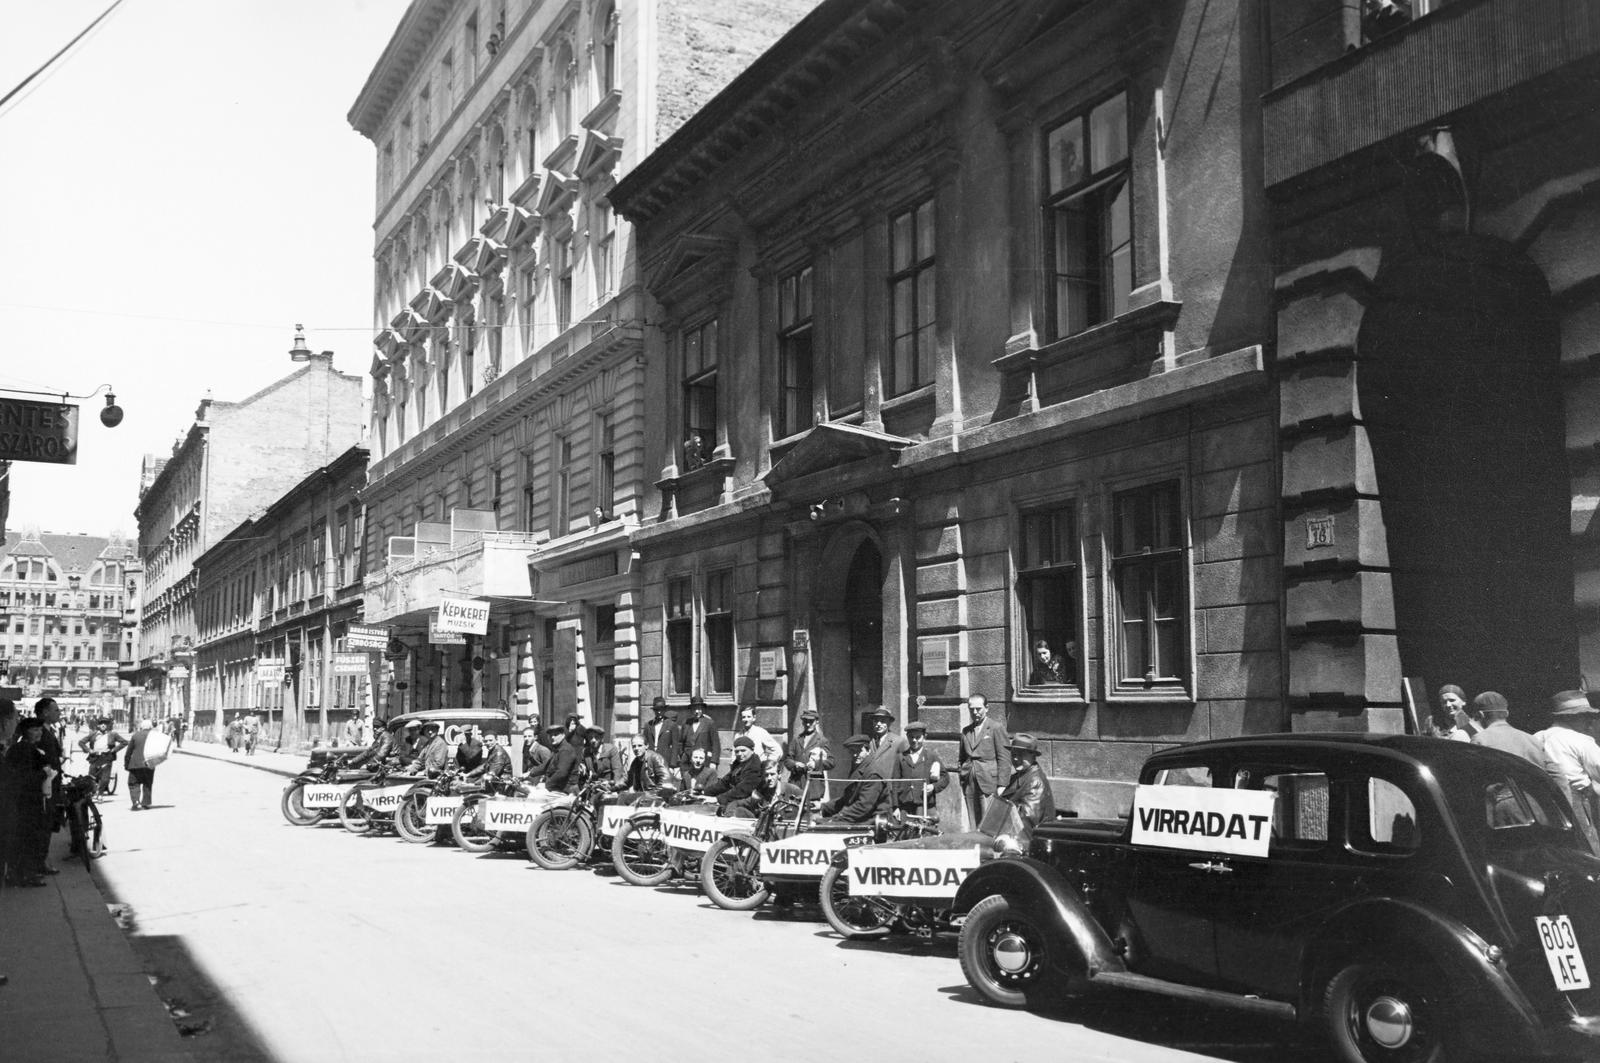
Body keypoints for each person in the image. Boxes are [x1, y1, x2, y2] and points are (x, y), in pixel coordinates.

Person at [1536, 690, 1600, 847]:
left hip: (1542, 802)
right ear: (1569, 717)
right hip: (1575, 801)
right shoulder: (1581, 740)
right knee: (1588, 847)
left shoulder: (1536, 737)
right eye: (1585, 715)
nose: (1590, 721)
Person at [1, 716, 54, 886]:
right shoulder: (24, 749)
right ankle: (24, 875)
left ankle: (22, 873)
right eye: (35, 730)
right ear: (25, 732)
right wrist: (44, 772)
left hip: (27, 800)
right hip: (25, 802)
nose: (39, 733)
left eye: (40, 730)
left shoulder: (28, 748)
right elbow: (25, 777)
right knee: (26, 838)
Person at [990, 733, 1057, 852]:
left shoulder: (1035, 782)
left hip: (1026, 846)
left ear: (1032, 756)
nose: (1016, 759)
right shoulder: (1019, 776)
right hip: (1008, 838)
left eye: (1021, 754)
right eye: (1014, 754)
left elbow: (1027, 821)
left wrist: (1006, 838)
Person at [958, 693, 1010, 826]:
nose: (975, 712)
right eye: (971, 709)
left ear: (987, 708)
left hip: (988, 782)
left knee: (988, 822)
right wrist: (962, 775)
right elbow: (962, 757)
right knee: (973, 820)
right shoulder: (966, 731)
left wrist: (1002, 785)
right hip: (970, 782)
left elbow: (1004, 758)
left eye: (978, 709)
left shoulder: (996, 728)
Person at [817, 735, 891, 823]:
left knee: (821, 827)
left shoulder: (873, 773)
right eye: (852, 751)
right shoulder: (860, 768)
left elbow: (863, 806)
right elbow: (847, 799)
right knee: (816, 822)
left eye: (859, 751)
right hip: (857, 818)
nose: (855, 755)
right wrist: (822, 807)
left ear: (868, 751)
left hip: (872, 822)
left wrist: (837, 818)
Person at [1470, 691, 1553, 770]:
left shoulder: (1480, 739)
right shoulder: (1533, 740)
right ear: (1507, 713)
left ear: (1480, 715)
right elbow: (1555, 772)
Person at [891, 721, 948, 816]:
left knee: (924, 825)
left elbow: (945, 778)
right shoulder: (900, 757)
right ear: (907, 737)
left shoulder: (931, 756)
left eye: (918, 737)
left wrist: (933, 786)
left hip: (925, 805)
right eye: (911, 737)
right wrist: (895, 806)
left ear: (924, 737)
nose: (914, 740)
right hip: (905, 805)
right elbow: (894, 783)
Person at [781, 708, 833, 803]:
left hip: (813, 788)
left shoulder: (822, 741)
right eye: (805, 721)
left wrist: (815, 764)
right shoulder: (796, 740)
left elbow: (831, 762)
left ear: (817, 721)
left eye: (811, 721)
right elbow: (787, 760)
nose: (808, 724)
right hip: (796, 786)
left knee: (812, 811)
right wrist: (795, 764)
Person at [703, 736, 765, 814]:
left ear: (752, 750)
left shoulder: (755, 767)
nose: (739, 754)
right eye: (737, 751)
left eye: (743, 750)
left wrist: (718, 799)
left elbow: (742, 790)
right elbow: (724, 783)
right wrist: (704, 792)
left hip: (747, 804)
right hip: (735, 798)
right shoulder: (738, 764)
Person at [78, 718, 130, 799]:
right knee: (92, 776)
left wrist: (114, 750)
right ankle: (92, 792)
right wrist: (89, 750)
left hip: (107, 757)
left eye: (105, 724)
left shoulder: (113, 734)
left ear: (108, 725)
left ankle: (100, 794)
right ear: (98, 725)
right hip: (95, 758)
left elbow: (125, 742)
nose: (103, 725)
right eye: (101, 723)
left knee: (105, 778)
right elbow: (81, 742)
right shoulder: (93, 734)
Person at [124, 719, 161, 811]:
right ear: (150, 727)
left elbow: (129, 751)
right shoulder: (155, 736)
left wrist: (126, 764)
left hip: (135, 764)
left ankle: (136, 802)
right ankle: (146, 803)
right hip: (149, 763)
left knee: (133, 783)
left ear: (141, 727)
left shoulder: (136, 735)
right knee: (147, 783)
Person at [543, 723, 587, 794]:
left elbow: (561, 773)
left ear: (563, 735)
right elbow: (546, 765)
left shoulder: (566, 750)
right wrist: (531, 773)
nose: (552, 737)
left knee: (534, 797)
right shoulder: (557, 749)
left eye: (556, 735)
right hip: (559, 788)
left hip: (567, 790)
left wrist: (547, 784)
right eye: (550, 735)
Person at [678, 696, 719, 767]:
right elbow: (681, 742)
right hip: (687, 760)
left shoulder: (709, 723)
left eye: (699, 709)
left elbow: (716, 744)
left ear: (703, 709)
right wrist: (682, 755)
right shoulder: (686, 723)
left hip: (703, 760)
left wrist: (713, 761)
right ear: (691, 710)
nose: (697, 711)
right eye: (694, 709)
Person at [643, 698, 681, 769]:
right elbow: (644, 743)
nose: (659, 712)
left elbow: (675, 746)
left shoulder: (671, 725)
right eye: (657, 710)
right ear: (654, 711)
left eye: (661, 709)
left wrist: (672, 765)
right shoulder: (648, 725)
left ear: (665, 710)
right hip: (650, 759)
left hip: (665, 760)